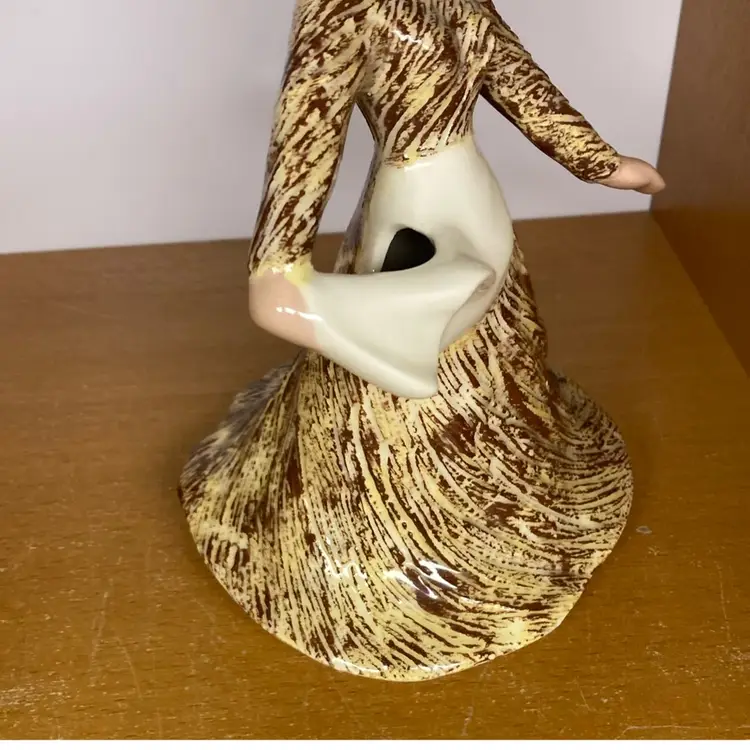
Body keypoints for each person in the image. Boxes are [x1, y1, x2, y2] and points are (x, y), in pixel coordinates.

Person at [180, 0, 664, 681]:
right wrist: (277, 263)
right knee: (405, 394)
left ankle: (503, 513)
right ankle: (408, 548)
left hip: (472, 201)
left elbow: (515, 76)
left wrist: (600, 163)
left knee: (496, 371)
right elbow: (307, 127)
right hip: (416, 211)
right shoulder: (341, 10)